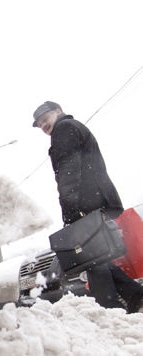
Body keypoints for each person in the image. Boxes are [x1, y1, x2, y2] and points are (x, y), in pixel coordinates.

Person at [32, 101, 143, 313]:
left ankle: (109, 309)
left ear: (58, 111)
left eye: (45, 118)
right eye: (40, 123)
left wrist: (70, 207)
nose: (43, 125)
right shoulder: (73, 128)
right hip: (96, 199)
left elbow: (69, 170)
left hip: (87, 202)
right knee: (96, 254)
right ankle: (134, 294)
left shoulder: (64, 129)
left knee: (91, 257)